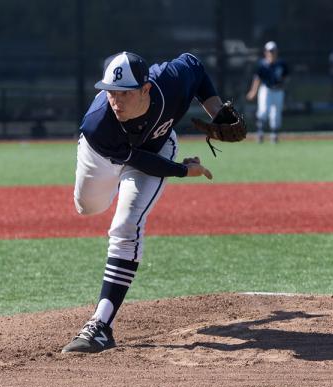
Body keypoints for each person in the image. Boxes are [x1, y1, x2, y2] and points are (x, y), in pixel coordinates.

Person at [61, 51, 228, 353]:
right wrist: (182, 170)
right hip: (102, 153)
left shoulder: (170, 81)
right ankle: (116, 184)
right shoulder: (98, 123)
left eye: (124, 93)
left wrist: (216, 110)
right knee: (88, 207)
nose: (116, 101)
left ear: (146, 89)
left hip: (155, 149)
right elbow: (134, 157)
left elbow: (196, 65)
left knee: (125, 225)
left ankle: (100, 325)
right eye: (110, 92)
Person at [246, 41, 289, 143]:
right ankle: (260, 133)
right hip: (266, 90)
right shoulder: (262, 64)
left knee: (276, 114)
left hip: (278, 90)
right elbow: (257, 79)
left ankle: (274, 135)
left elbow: (286, 78)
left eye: (273, 51)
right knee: (263, 111)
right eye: (270, 51)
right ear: (265, 52)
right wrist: (253, 91)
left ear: (276, 52)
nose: (271, 53)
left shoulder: (282, 64)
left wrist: (285, 89)